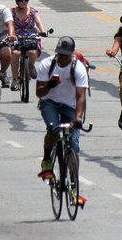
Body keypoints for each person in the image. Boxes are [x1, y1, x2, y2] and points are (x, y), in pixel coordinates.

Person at [35, 36, 88, 207]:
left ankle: (74, 186)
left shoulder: (78, 68)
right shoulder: (46, 65)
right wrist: (50, 84)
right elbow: (39, 93)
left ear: (71, 54)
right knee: (53, 129)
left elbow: (81, 96)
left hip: (70, 106)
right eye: (60, 54)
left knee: (73, 145)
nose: (63, 58)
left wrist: (78, 119)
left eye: (66, 55)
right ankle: (46, 161)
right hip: (49, 102)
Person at [10, 0, 47, 87]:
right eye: (21, 0)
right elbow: (7, 23)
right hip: (16, 37)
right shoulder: (11, 12)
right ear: (17, 1)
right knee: (15, 54)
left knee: (32, 52)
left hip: (30, 36)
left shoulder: (32, 11)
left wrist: (42, 31)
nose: (23, 2)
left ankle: (31, 66)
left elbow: (39, 23)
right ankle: (14, 79)